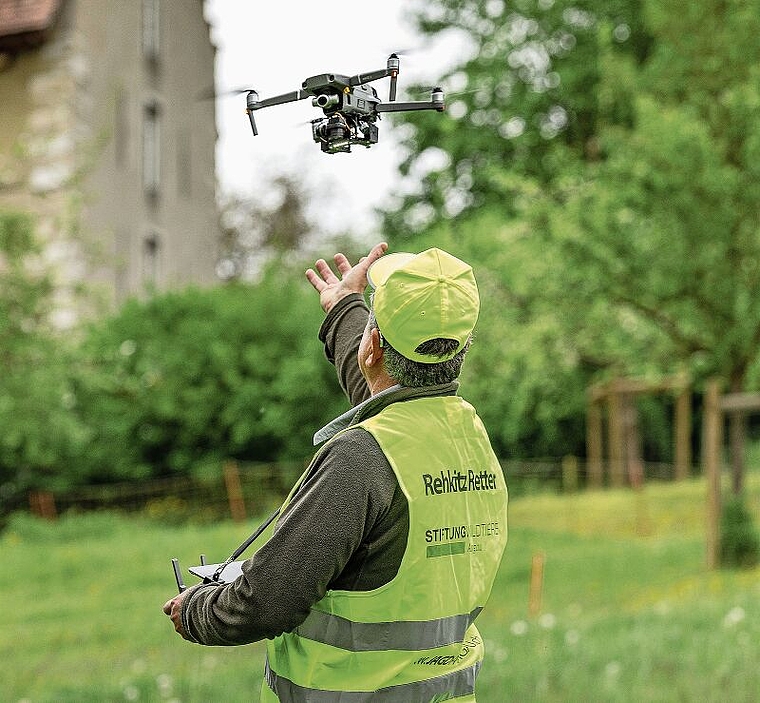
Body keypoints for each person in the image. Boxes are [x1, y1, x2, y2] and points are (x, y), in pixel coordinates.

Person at [163, 242, 509, 702]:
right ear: (461, 349)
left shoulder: (359, 457)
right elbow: (391, 394)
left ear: (372, 346)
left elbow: (268, 601)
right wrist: (345, 309)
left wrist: (196, 612)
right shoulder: (468, 436)